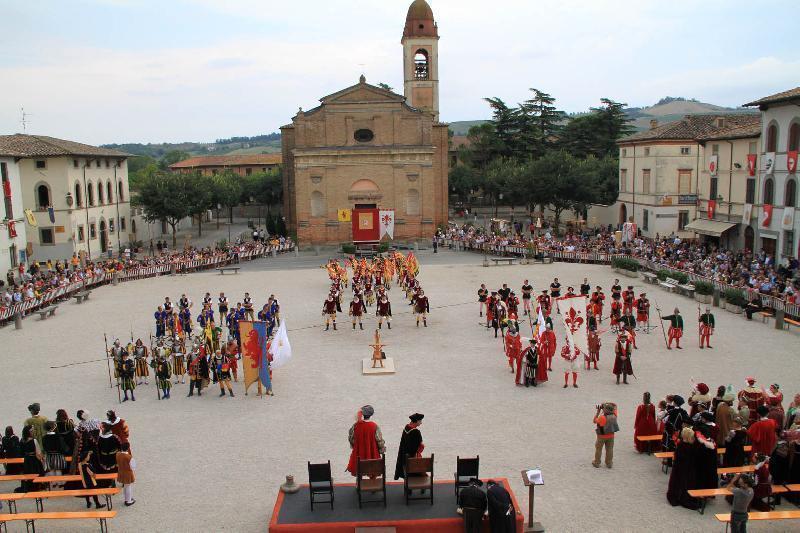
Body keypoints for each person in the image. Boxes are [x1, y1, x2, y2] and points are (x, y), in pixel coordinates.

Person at [666, 427, 701, 510]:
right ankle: (683, 497)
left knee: (678, 483)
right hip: (687, 469)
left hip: (680, 469)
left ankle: (679, 496)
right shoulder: (691, 446)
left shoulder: (681, 445)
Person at [346, 405, 385, 477]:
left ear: (363, 414)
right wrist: (381, 450)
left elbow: (351, 438)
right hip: (372, 452)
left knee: (359, 469)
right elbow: (379, 440)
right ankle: (373, 483)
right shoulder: (374, 426)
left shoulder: (356, 425)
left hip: (359, 452)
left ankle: (359, 484)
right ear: (371, 415)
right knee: (373, 470)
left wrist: (356, 445)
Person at [393, 413, 424, 480]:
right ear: (417, 421)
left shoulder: (406, 428)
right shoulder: (416, 432)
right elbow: (421, 446)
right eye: (420, 421)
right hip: (413, 459)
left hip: (404, 457)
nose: (421, 423)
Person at [592, 403, 618, 468]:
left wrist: (598, 412)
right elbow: (615, 405)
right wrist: (607, 405)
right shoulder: (614, 415)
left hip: (601, 436)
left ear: (606, 410)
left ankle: (597, 462)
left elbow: (594, 421)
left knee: (598, 449)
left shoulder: (602, 417)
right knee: (610, 449)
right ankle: (609, 463)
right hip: (611, 435)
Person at [20, 424, 45, 492]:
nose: (33, 432)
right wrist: (42, 459)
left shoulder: (22, 440)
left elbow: (21, 452)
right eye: (32, 431)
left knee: (28, 472)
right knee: (36, 472)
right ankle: (36, 486)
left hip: (27, 459)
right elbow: (38, 452)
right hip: (34, 459)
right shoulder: (34, 441)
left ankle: (29, 486)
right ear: (29, 432)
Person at [116, 442, 136, 507]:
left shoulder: (118, 454)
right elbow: (133, 467)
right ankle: (129, 500)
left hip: (121, 472)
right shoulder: (129, 457)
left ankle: (126, 499)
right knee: (128, 486)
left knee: (125, 486)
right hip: (127, 473)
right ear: (128, 448)